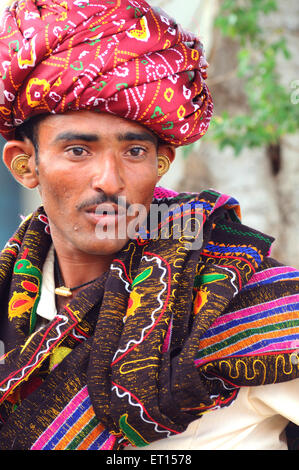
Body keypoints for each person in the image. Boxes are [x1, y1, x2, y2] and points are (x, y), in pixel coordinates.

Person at [0, 0, 298, 451]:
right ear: (25, 165)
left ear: (162, 163)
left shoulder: (245, 299)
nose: (110, 181)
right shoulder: (8, 296)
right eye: (78, 150)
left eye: (134, 152)